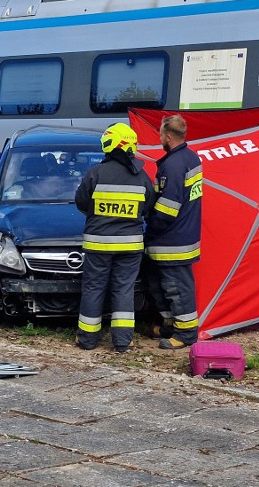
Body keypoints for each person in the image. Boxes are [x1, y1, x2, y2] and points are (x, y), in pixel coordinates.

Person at [74, 122, 156, 353]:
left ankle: (87, 340)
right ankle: (123, 342)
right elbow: (148, 206)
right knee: (124, 289)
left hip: (98, 243)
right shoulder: (141, 176)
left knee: (93, 288)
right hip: (130, 246)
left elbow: (82, 203)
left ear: (109, 145)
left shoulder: (95, 173)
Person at [144, 114, 203, 350]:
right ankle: (170, 326)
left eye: (160, 134)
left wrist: (150, 227)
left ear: (168, 136)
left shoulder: (174, 164)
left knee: (177, 289)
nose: (160, 138)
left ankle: (186, 334)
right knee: (165, 286)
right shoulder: (190, 158)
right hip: (182, 235)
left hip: (172, 239)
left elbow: (168, 208)